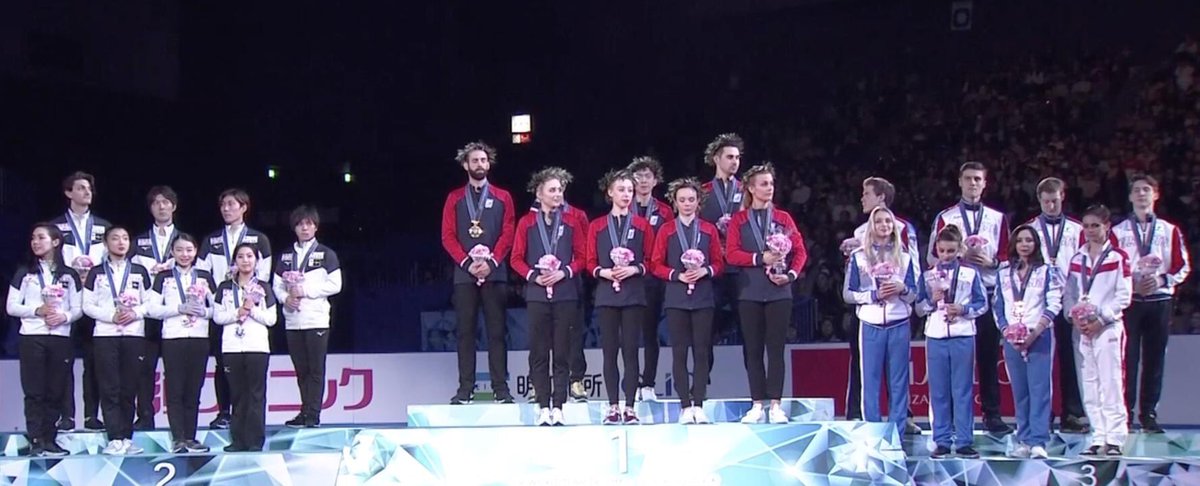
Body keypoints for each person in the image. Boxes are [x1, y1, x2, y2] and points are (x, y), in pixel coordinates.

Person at [928, 162, 1012, 435]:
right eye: (968, 178)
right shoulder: (946, 217)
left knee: (988, 358)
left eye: (977, 179)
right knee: (954, 365)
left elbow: (1008, 258)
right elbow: (931, 257)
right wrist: (957, 259)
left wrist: (991, 262)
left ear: (985, 183)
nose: (973, 183)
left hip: (986, 294)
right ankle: (952, 420)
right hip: (953, 298)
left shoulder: (997, 218)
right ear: (960, 182)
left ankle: (992, 415)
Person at [726, 163, 807, 424]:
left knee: (775, 349)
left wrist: (791, 275)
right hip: (749, 292)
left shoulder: (783, 218)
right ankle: (757, 404)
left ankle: (776, 405)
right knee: (752, 350)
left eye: (771, 184)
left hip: (779, 292)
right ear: (751, 188)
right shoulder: (739, 220)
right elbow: (731, 254)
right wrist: (760, 258)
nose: (769, 188)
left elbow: (800, 251)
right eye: (763, 184)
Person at [1110, 175, 1191, 433]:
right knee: (1128, 359)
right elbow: (1112, 266)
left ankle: (1149, 414)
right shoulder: (1118, 231)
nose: (1141, 194)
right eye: (1136, 190)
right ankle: (1125, 414)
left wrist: (1161, 280)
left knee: (1155, 359)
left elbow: (1182, 265)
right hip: (1130, 302)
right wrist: (1132, 283)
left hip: (1160, 299)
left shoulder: (1169, 230)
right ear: (1130, 196)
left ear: (1156, 194)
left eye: (1146, 189)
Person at [440, 142, 517, 405]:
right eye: (475, 160)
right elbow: (447, 236)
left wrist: (492, 262)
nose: (480, 164)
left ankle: (501, 389)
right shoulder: (454, 198)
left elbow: (508, 232)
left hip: (495, 273)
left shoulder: (503, 197)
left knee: (497, 332)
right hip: (465, 274)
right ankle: (465, 389)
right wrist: (467, 263)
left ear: (489, 163)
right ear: (466, 165)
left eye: (484, 160)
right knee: (465, 333)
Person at [846, 176, 922, 434]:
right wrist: (872, 296)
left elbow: (914, 288)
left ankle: (898, 431)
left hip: (899, 320)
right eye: (878, 222)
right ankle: (873, 432)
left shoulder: (904, 254)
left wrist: (903, 289)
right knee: (869, 380)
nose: (883, 225)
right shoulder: (859, 255)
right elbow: (849, 292)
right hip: (870, 322)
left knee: (899, 380)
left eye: (887, 221)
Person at [511, 167, 587, 426]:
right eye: (552, 190)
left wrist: (563, 272)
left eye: (560, 190)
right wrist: (534, 276)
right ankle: (543, 406)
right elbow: (516, 258)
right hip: (537, 295)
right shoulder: (526, 223)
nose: (557, 194)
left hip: (565, 294)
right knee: (539, 352)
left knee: (562, 352)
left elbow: (582, 257)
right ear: (539, 193)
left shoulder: (571, 222)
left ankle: (559, 406)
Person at [650, 178, 723, 424]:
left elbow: (719, 263)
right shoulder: (667, 230)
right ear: (675, 203)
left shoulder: (708, 230)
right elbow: (655, 264)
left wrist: (705, 271)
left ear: (699, 201)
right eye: (682, 200)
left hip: (703, 298)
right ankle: (684, 406)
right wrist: (677, 275)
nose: (687, 204)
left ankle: (698, 403)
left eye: (691, 199)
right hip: (676, 298)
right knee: (679, 353)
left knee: (701, 352)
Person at [7, 223, 82, 457]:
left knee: (55, 390)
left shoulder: (69, 275)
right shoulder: (25, 272)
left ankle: (50, 439)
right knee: (34, 391)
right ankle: (36, 439)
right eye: (33, 238)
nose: (35, 242)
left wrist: (64, 317)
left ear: (56, 242)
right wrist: (36, 310)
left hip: (60, 337)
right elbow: (11, 306)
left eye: (41, 237)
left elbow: (77, 308)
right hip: (32, 337)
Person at [199, 189, 272, 429]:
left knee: (251, 370)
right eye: (223, 205)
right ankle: (224, 412)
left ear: (244, 207)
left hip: (252, 310)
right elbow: (202, 274)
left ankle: (250, 423)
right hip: (224, 307)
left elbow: (264, 275)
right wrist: (218, 296)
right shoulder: (211, 240)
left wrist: (250, 299)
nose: (226, 209)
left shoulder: (259, 239)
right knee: (222, 363)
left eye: (232, 204)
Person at [586, 169, 654, 424]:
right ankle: (613, 406)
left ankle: (631, 407)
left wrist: (634, 269)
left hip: (634, 295)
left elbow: (651, 260)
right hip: (606, 295)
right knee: (610, 352)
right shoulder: (597, 226)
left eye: (629, 190)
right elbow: (589, 261)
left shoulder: (642, 225)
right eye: (621, 190)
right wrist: (604, 272)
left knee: (631, 352)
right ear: (610, 193)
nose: (626, 195)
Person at [1064, 205, 1132, 456]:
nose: (1090, 230)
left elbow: (1124, 296)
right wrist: (1074, 317)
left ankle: (1115, 439)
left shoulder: (1118, 257)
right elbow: (1069, 294)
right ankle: (1097, 436)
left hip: (1107, 328)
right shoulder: (1077, 259)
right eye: (1086, 226)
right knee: (1089, 384)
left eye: (1095, 225)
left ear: (1107, 227)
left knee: (1110, 382)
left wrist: (1101, 319)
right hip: (1082, 329)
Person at [916, 225, 987, 459]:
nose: (946, 255)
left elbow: (982, 304)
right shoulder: (927, 276)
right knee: (938, 392)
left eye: (951, 251)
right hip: (936, 336)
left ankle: (965, 441)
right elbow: (919, 308)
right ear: (936, 249)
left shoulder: (970, 273)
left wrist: (963, 309)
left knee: (962, 390)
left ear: (959, 250)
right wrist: (931, 300)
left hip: (963, 335)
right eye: (942, 250)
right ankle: (942, 441)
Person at [1025, 177, 1089, 433]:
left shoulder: (1077, 229)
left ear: (1063, 197)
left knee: (1070, 358)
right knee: (1042, 360)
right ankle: (1044, 414)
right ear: (1039, 200)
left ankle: (1072, 413)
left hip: (1070, 299)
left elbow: (1087, 264)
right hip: (1040, 303)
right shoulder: (1030, 229)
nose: (1051, 206)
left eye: (1055, 200)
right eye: (1046, 201)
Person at [49, 171, 110, 433]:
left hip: (95, 299)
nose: (87, 192)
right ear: (68, 192)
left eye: (89, 189)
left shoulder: (104, 227)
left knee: (94, 362)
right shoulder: (54, 227)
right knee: (63, 360)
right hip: (66, 300)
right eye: (81, 188)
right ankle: (66, 415)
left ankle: (91, 416)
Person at [82, 227, 152, 456]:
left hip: (133, 334)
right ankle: (114, 438)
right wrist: (110, 316)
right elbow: (87, 305)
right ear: (106, 243)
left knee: (129, 387)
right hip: (105, 335)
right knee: (109, 387)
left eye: (125, 238)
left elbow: (150, 302)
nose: (121, 242)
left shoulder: (139, 271)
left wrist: (135, 313)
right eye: (115, 238)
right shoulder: (96, 273)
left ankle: (127, 437)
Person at [995, 225, 1063, 459]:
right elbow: (998, 306)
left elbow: (1054, 303)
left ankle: (1039, 441)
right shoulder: (1004, 273)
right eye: (1020, 240)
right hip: (1012, 339)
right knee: (1020, 391)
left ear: (1036, 244)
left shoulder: (1047, 271)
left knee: (1040, 390)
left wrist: (1035, 333)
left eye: (1029, 240)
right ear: (1014, 244)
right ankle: (1023, 439)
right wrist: (1007, 332)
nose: (1024, 244)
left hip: (1039, 336)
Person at [274, 205, 344, 427]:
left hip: (316, 320)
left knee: (315, 369)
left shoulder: (326, 254)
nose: (304, 228)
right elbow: (276, 285)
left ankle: (313, 414)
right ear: (294, 227)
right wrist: (285, 298)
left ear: (316, 227)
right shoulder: (286, 256)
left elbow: (335, 285)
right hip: (293, 320)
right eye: (300, 224)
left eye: (309, 224)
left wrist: (305, 291)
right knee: (301, 369)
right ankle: (304, 411)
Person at [146, 234, 215, 453]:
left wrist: (203, 312)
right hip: (173, 338)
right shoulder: (163, 277)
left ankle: (191, 437)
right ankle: (178, 438)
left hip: (199, 338)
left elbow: (219, 308)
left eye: (189, 250)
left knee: (194, 389)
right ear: (172, 253)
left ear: (195, 252)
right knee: (175, 389)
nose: (184, 254)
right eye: (179, 250)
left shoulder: (204, 276)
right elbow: (152, 309)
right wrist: (178, 309)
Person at [213, 243, 278, 452]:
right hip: (231, 347)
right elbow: (217, 316)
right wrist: (238, 312)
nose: (245, 260)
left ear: (256, 261)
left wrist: (251, 310)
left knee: (256, 395)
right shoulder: (224, 287)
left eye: (250, 256)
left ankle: (255, 441)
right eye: (241, 256)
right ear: (235, 261)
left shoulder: (264, 287)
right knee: (237, 394)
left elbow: (272, 319)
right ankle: (238, 440)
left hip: (257, 346)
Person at [130, 186, 182, 431]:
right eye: (156, 202)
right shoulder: (138, 241)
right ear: (150, 208)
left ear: (174, 206)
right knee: (144, 368)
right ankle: (145, 416)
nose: (161, 206)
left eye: (166, 202)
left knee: (177, 369)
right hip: (148, 311)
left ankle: (180, 422)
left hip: (177, 312)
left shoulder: (185, 241)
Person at [698, 133, 745, 376]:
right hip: (712, 269)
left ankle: (757, 388)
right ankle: (701, 382)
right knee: (705, 325)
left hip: (740, 269)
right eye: (729, 157)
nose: (735, 162)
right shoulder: (702, 192)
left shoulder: (747, 190)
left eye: (737, 157)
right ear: (716, 159)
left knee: (748, 327)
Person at [627, 155, 673, 402]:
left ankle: (648, 383)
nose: (643, 181)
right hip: (628, 278)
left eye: (648, 176)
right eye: (638, 176)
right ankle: (631, 383)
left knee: (649, 332)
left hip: (653, 279)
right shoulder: (623, 208)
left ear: (656, 181)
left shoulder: (665, 211)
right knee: (630, 334)